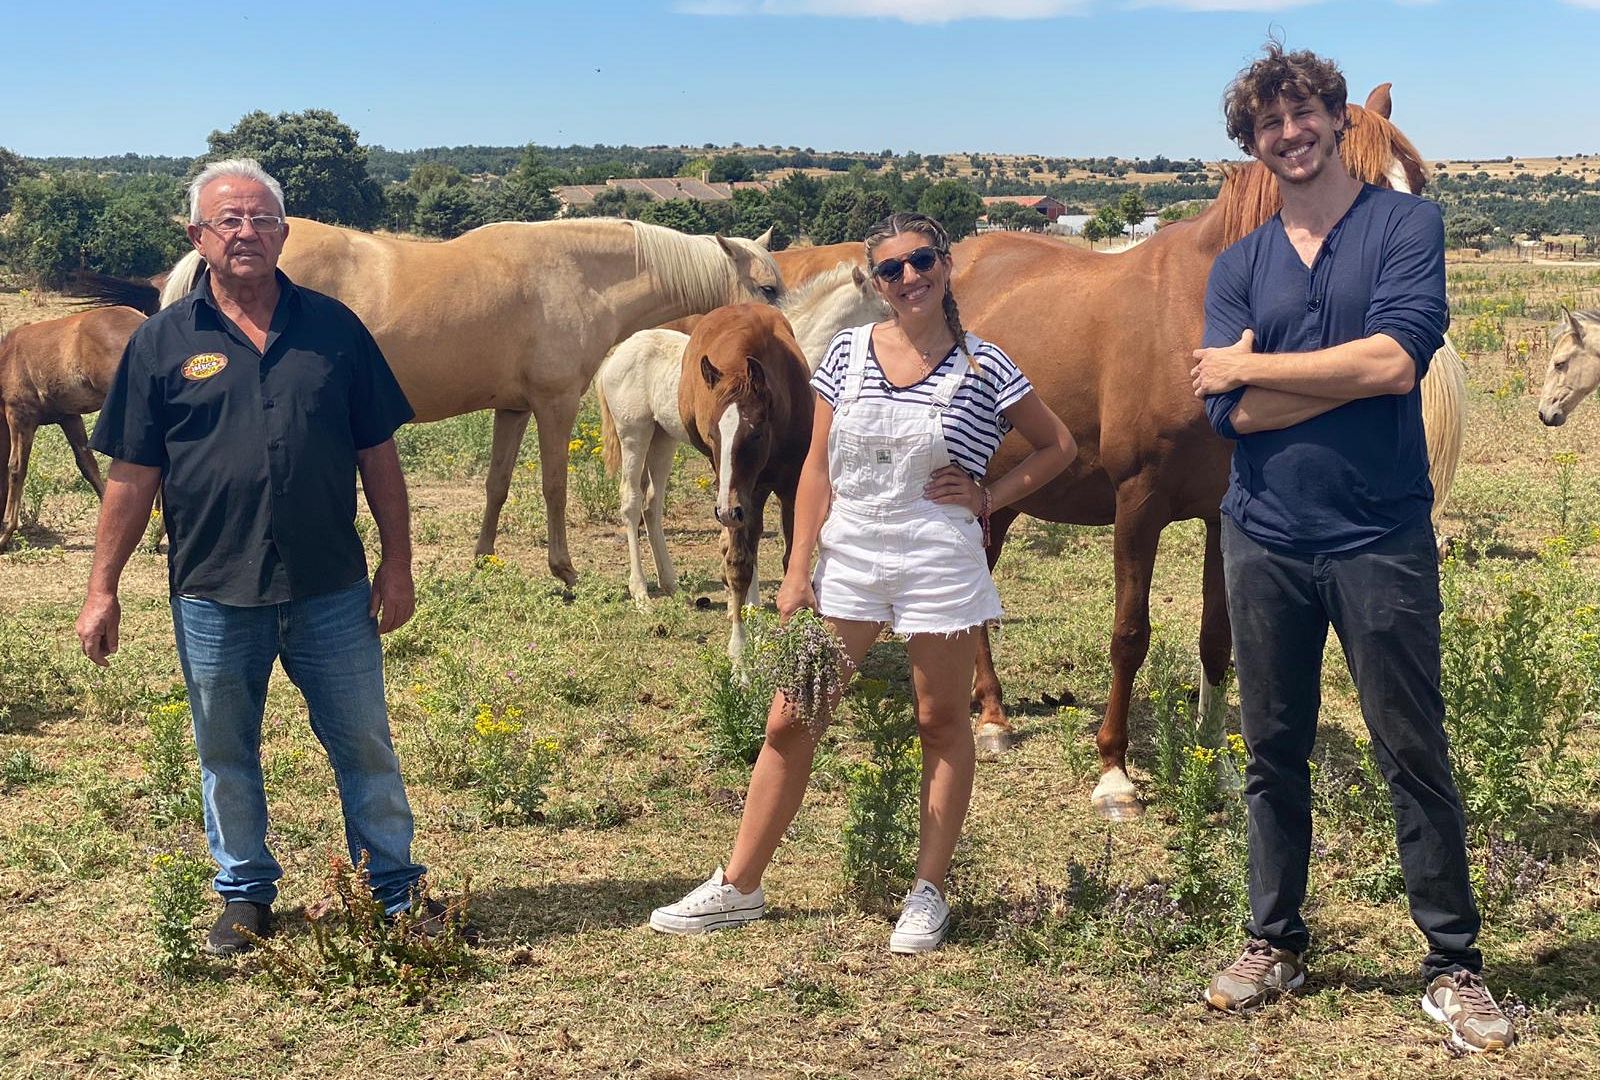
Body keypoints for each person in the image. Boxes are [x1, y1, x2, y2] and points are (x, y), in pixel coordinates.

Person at [1190, 46, 1514, 1052]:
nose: (1286, 136)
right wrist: (1311, 378)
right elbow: (1227, 412)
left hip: (1379, 533)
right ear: (1250, 147)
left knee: (1412, 748)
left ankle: (1452, 964)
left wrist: (1263, 368)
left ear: (1334, 119)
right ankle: (1272, 941)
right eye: (1264, 127)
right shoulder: (1238, 262)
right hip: (1264, 538)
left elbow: (1395, 360)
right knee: (1273, 750)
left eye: (1300, 116)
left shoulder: (1405, 225)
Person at [650, 212, 1076, 953]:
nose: (908, 279)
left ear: (944, 266)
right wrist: (796, 567)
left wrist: (988, 497)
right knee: (791, 717)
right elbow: (816, 466)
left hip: (937, 562)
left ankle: (927, 893)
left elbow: (1058, 445)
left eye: (920, 262)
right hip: (848, 559)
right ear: (874, 283)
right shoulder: (846, 353)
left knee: (940, 722)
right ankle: (739, 885)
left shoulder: (986, 365)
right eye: (890, 269)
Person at [76, 159, 433, 955]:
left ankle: (395, 889)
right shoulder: (163, 343)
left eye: (261, 219)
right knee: (225, 750)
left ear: (284, 232)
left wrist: (397, 562)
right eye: (228, 220)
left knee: (364, 741)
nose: (246, 232)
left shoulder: (335, 330)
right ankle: (244, 894)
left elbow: (379, 457)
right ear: (198, 236)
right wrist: (102, 588)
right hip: (211, 589)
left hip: (330, 587)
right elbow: (133, 477)